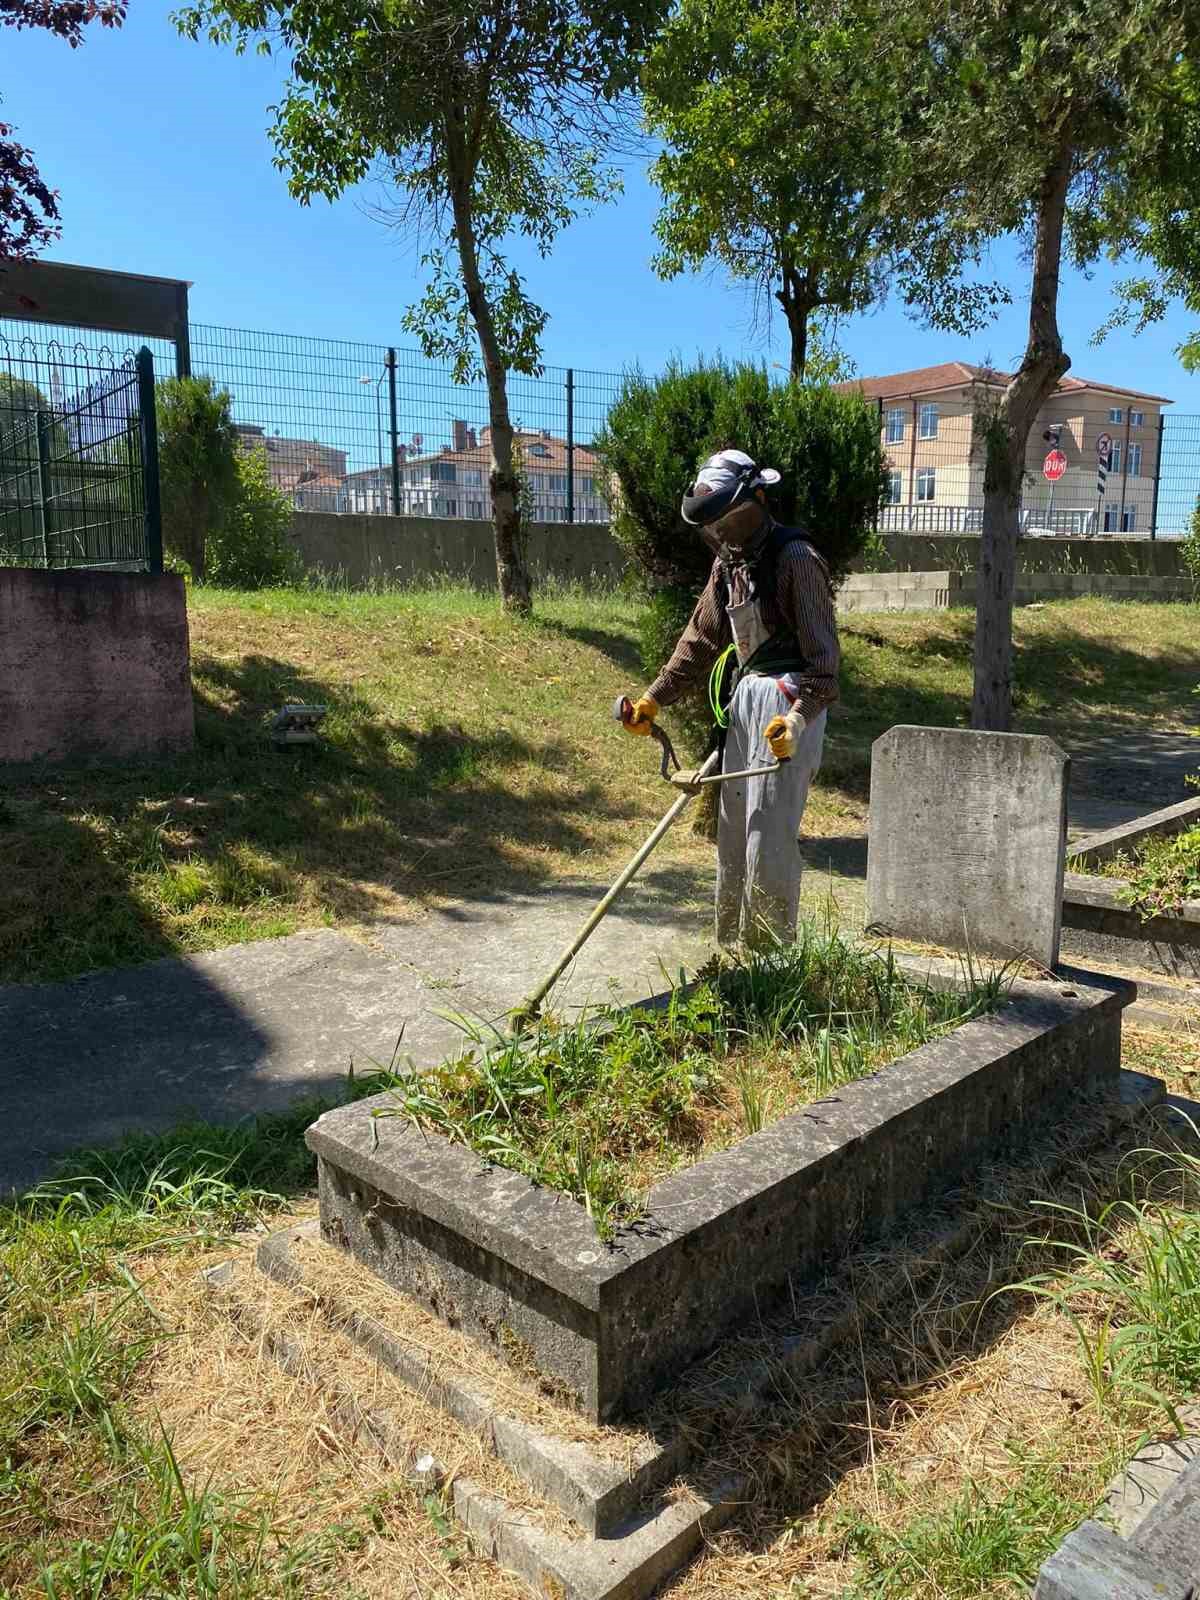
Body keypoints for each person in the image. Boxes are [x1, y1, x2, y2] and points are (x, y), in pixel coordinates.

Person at [620, 448, 840, 948]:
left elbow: (825, 671)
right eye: (716, 528)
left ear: (760, 498)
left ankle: (767, 958)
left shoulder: (797, 560)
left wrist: (799, 721)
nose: (726, 536)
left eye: (734, 521)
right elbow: (699, 641)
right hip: (746, 703)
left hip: (789, 706)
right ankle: (729, 952)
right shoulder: (728, 569)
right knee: (733, 835)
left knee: (768, 839)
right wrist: (654, 699)